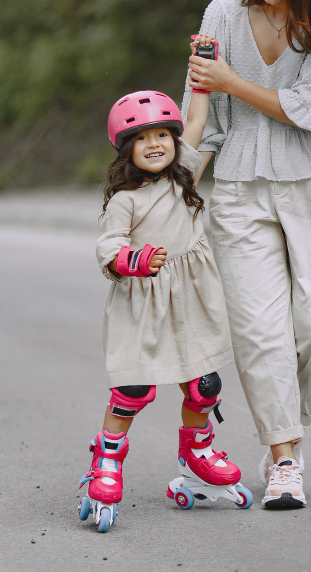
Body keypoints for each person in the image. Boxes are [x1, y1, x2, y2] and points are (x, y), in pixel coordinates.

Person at [182, 0, 311, 509]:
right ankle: (285, 457)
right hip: (237, 186)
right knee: (261, 333)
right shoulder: (221, 15)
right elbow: (201, 121)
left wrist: (232, 82)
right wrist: (173, 191)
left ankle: (289, 424)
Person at [78, 87, 252, 533]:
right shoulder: (125, 201)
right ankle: (107, 461)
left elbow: (196, 119)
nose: (155, 144)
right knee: (133, 390)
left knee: (203, 385)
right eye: (142, 138)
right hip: (143, 302)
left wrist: (200, 81)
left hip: (191, 299)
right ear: (125, 148)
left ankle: (196, 451)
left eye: (162, 134)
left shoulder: (184, 178)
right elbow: (108, 246)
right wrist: (132, 260)